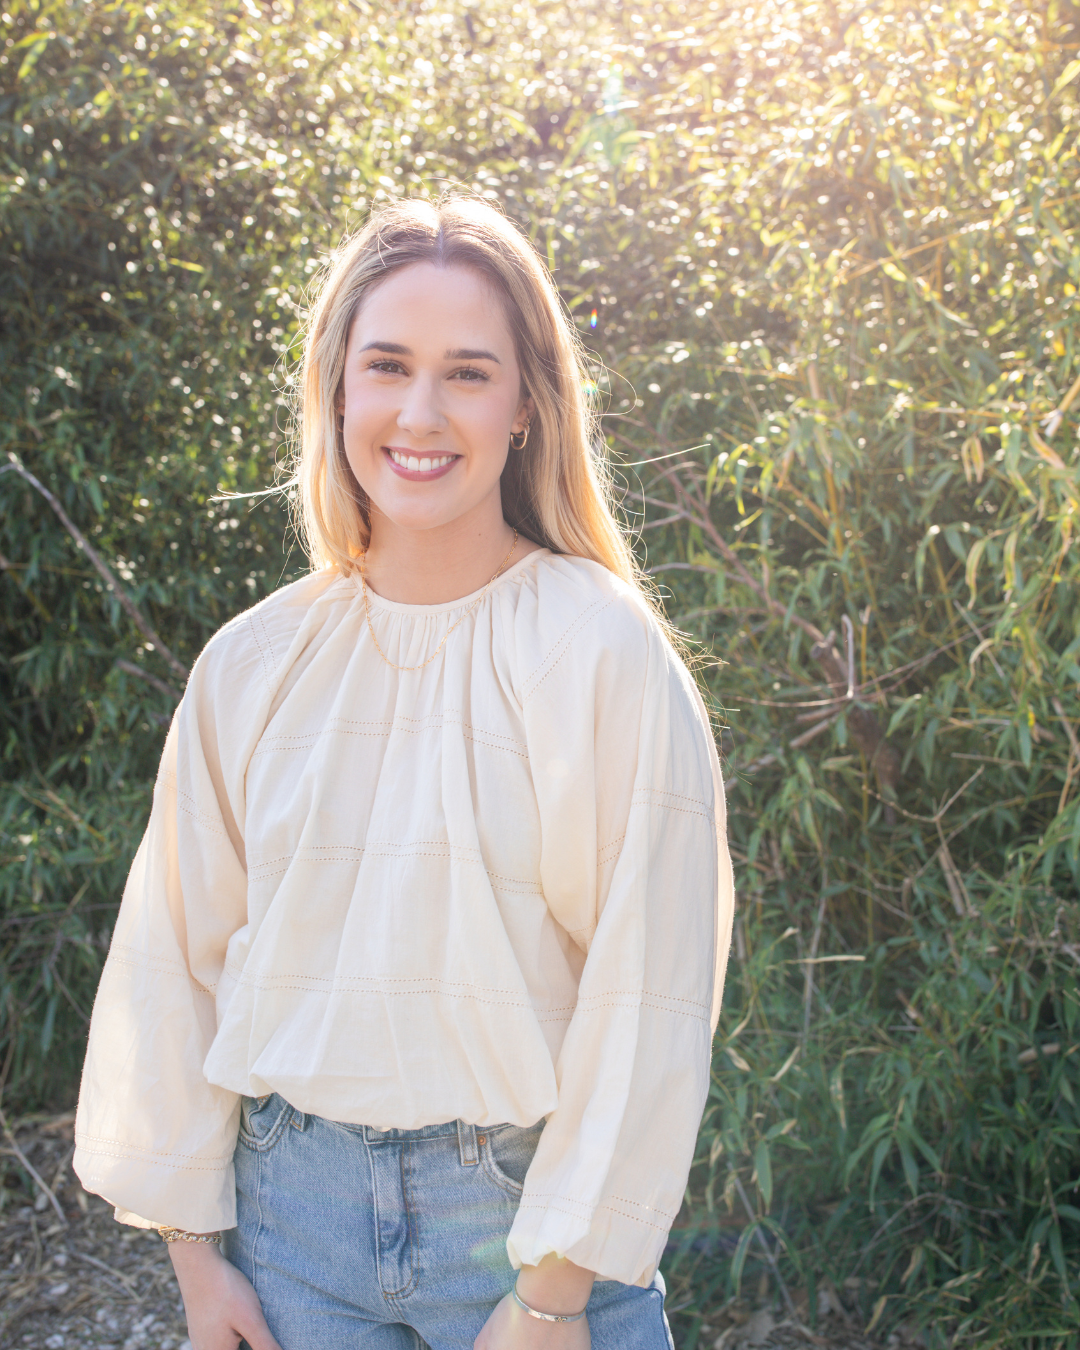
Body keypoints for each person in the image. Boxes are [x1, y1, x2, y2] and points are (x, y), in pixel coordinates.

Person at [73, 194, 735, 1350]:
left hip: (533, 1232)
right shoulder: (254, 663)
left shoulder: (598, 648)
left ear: (527, 404)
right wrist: (196, 1262)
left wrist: (553, 1295)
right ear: (337, 386)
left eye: (468, 373)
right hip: (293, 1245)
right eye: (387, 365)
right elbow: (174, 962)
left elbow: (651, 990)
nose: (419, 413)